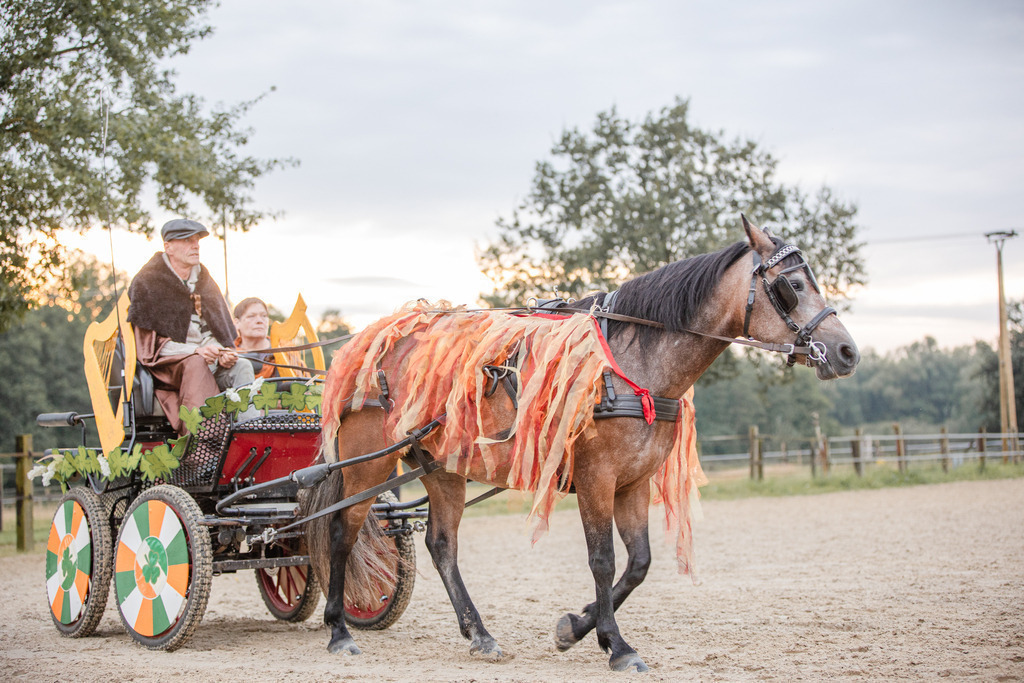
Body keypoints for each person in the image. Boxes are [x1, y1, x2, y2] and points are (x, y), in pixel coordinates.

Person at [126, 218, 255, 434]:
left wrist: (220, 351)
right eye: (187, 240)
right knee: (196, 363)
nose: (195, 245)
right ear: (168, 247)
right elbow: (150, 346)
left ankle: (250, 438)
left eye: (197, 241)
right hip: (167, 366)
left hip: (204, 360)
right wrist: (195, 351)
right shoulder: (147, 282)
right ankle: (202, 446)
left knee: (242, 366)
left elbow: (217, 330)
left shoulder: (205, 280)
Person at [233, 297, 277, 379]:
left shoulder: (283, 350)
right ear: (237, 323)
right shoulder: (228, 355)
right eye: (251, 316)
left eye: (264, 316)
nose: (259, 321)